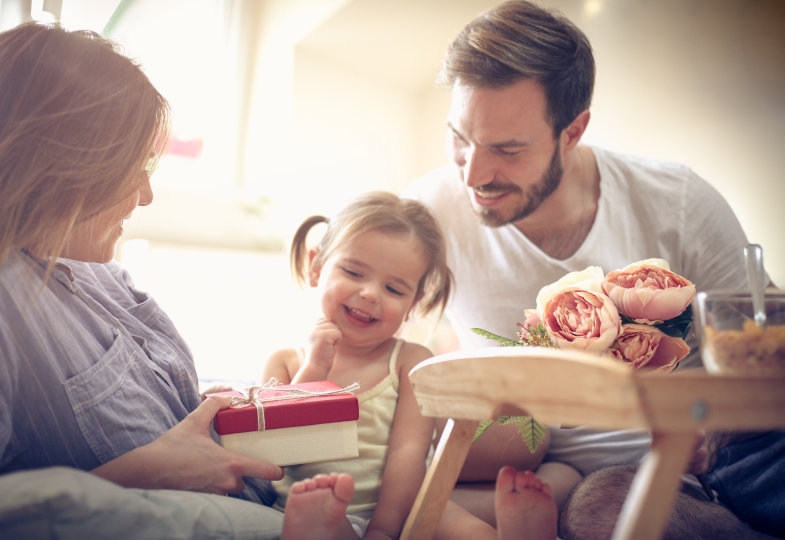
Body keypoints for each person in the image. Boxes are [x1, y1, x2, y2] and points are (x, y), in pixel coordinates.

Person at [405, 1, 781, 538]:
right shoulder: (429, 211)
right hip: (558, 474)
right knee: (596, 505)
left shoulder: (677, 203)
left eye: (507, 149)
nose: (474, 174)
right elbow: (364, 328)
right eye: (460, 140)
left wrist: (714, 432)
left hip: (702, 463)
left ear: (573, 131)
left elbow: (767, 357)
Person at [0, 21, 329, 538]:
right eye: (135, 167)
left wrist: (212, 406)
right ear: (69, 164)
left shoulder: (103, 275)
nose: (148, 195)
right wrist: (149, 472)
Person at [263, 191, 555, 540]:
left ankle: (518, 534)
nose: (370, 294)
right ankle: (329, 525)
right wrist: (313, 367)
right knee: (314, 525)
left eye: (393, 289)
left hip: (402, 502)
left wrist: (385, 528)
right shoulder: (285, 360)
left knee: (462, 529)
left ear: (414, 303)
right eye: (354, 272)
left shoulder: (409, 361)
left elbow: (410, 451)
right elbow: (272, 456)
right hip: (312, 503)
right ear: (315, 266)